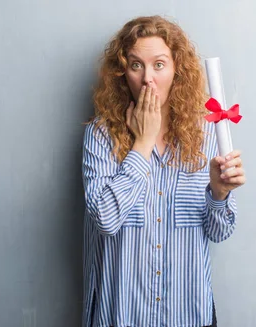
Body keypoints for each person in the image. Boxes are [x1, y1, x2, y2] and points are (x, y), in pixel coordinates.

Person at [81, 15, 246, 327]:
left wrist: (219, 193)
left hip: (188, 314)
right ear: (122, 73)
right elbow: (104, 219)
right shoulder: (100, 135)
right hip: (122, 315)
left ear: (176, 70)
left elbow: (220, 231)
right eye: (135, 65)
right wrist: (142, 144)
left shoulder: (208, 134)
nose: (148, 79)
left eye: (159, 64)